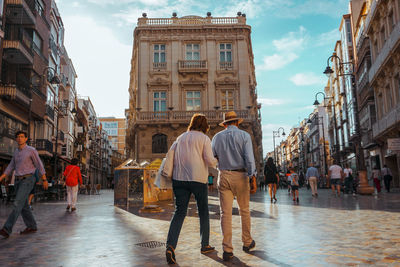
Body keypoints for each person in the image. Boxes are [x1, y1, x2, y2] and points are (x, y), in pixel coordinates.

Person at [165, 114, 218, 265]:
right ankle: (204, 245)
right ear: (205, 126)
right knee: (203, 211)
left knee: (179, 212)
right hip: (198, 179)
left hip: (179, 179)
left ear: (191, 123)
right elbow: (209, 159)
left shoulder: (180, 137)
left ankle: (170, 246)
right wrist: (216, 160)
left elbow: (171, 156)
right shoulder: (204, 139)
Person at [211, 111, 256, 261]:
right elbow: (249, 158)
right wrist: (252, 177)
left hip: (223, 175)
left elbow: (213, 157)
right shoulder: (244, 136)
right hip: (241, 175)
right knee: (244, 210)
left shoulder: (217, 137)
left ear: (224, 124)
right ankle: (247, 242)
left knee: (225, 213)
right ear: (237, 122)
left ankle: (227, 249)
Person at [0, 131, 48, 239]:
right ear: (16, 139)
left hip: (28, 179)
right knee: (24, 205)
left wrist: (44, 179)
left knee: (17, 203)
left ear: (26, 139)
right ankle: (32, 226)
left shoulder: (31, 151)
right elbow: (10, 166)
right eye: (18, 137)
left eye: (22, 137)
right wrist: (1, 177)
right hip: (17, 180)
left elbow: (39, 165)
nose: (20, 138)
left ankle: (7, 229)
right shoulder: (16, 152)